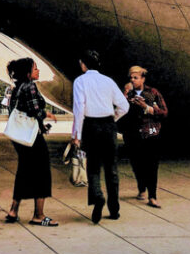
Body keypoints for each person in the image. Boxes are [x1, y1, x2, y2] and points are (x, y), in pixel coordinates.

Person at [71, 50, 128, 224]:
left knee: (94, 167)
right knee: (112, 168)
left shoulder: (80, 81)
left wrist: (77, 135)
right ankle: (114, 209)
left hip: (91, 126)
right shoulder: (108, 81)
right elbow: (124, 106)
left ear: (83, 64)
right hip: (108, 125)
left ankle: (97, 196)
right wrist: (113, 118)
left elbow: (79, 108)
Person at [3, 58, 57, 227]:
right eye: (35, 68)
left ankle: (14, 209)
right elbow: (34, 110)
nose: (38, 71)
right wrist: (46, 114)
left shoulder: (17, 88)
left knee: (24, 171)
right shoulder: (30, 86)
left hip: (21, 137)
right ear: (27, 73)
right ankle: (39, 215)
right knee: (41, 172)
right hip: (32, 137)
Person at [122, 65, 167, 208]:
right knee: (137, 164)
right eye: (131, 78)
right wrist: (125, 94)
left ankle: (152, 196)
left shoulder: (153, 93)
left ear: (143, 79)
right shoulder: (128, 94)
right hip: (133, 134)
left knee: (152, 165)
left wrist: (146, 107)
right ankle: (141, 187)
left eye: (136, 77)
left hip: (151, 133)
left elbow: (164, 112)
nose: (133, 80)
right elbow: (119, 111)